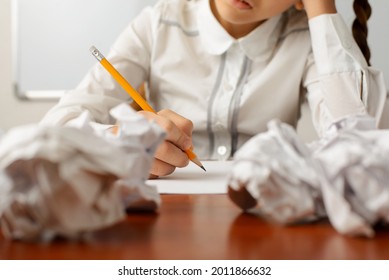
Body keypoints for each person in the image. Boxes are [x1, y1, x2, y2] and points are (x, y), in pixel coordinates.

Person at [40, 0, 387, 177]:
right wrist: (118, 141)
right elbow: (55, 127)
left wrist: (321, 11)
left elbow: (365, 147)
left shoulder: (309, 39)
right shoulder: (158, 23)